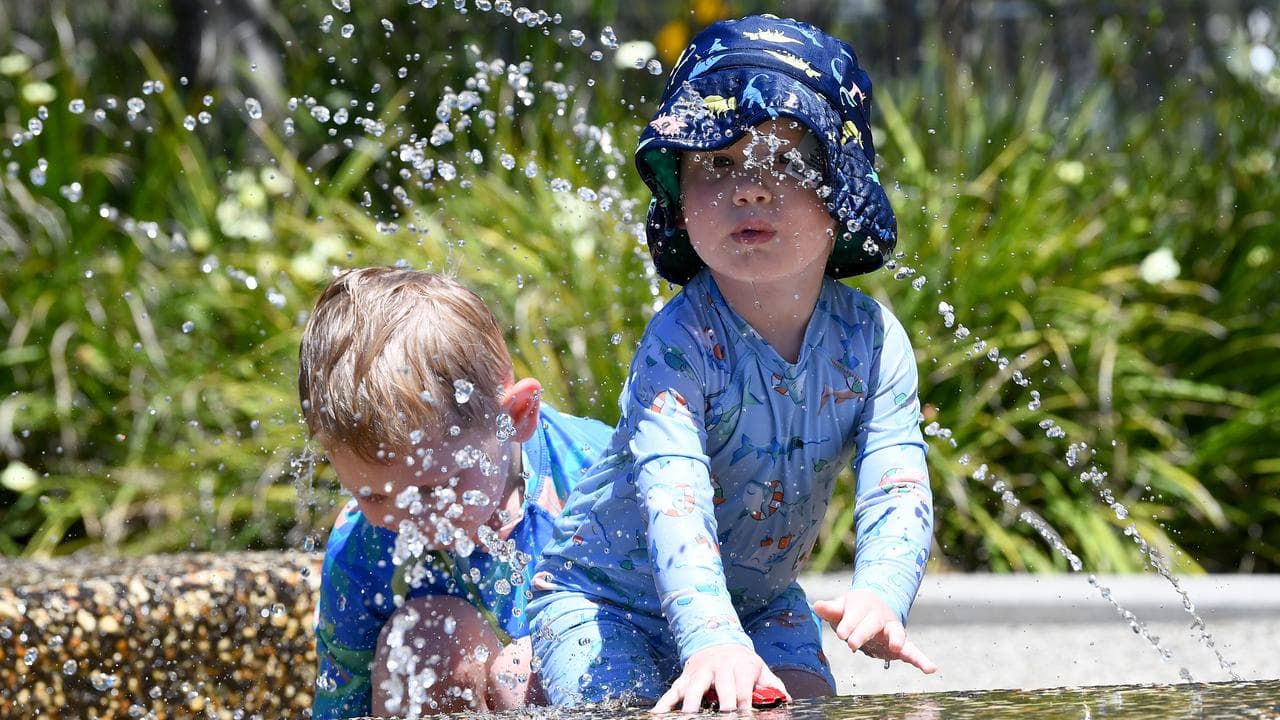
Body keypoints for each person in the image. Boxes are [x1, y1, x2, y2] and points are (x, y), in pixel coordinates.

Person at [527, 14, 936, 713]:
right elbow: (673, 496)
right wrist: (712, 640)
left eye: (784, 160)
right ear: (679, 200)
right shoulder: (680, 343)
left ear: (841, 194)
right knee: (616, 707)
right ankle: (518, 673)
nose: (748, 187)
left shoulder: (871, 340)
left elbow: (898, 477)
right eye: (717, 162)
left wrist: (882, 589)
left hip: (762, 602)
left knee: (801, 704)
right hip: (606, 605)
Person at [301, 267, 612, 719]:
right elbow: (340, 705)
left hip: (599, 672)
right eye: (371, 495)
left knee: (526, 668)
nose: (410, 517)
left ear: (518, 415)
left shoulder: (600, 478)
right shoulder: (359, 549)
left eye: (435, 489)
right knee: (426, 641)